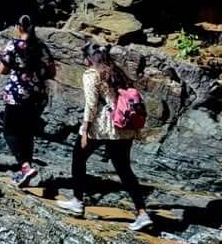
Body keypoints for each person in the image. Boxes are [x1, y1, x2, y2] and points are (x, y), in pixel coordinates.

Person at [57, 41, 153, 232]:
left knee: (78, 157)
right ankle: (142, 214)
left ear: (88, 59)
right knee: (124, 170)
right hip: (124, 128)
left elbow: (91, 105)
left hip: (103, 126)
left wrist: (84, 129)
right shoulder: (116, 71)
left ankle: (77, 201)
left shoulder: (92, 74)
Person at [0, 14, 56, 187]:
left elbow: (2, 70)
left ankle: (24, 167)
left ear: (19, 27)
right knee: (27, 133)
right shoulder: (41, 47)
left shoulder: (13, 45)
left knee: (9, 132)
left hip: (16, 94)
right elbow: (52, 72)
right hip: (36, 96)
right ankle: (26, 172)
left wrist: (18, 71)